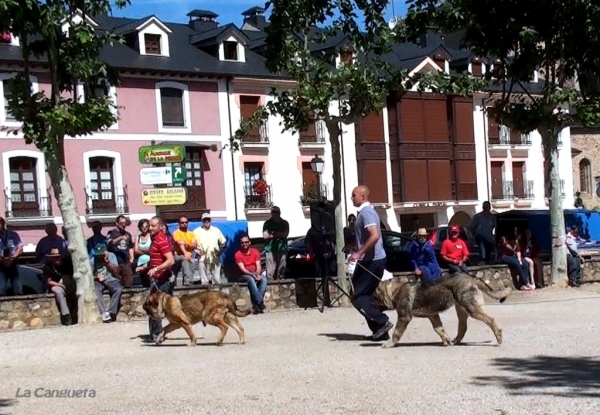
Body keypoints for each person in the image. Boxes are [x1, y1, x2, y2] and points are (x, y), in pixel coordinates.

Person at [348, 185, 393, 341]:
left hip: (372, 261)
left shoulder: (367, 213)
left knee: (357, 295)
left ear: (363, 197)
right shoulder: (365, 213)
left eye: (353, 195)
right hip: (370, 260)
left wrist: (360, 253)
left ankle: (382, 321)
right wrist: (355, 249)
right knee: (364, 295)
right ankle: (380, 331)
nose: (351, 198)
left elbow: (374, 235)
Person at [147, 216, 175, 342]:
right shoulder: (154, 239)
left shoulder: (161, 240)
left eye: (153, 226)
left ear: (160, 226)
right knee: (153, 306)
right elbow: (156, 259)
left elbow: (171, 260)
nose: (150, 228)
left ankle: (157, 334)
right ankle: (154, 334)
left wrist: (156, 269)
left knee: (158, 308)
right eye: (150, 225)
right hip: (155, 278)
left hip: (162, 279)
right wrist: (146, 267)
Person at [235, 235, 267, 314]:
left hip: (254, 272)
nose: (244, 244)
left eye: (246, 242)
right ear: (240, 244)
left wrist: (258, 274)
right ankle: (259, 302)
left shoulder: (255, 252)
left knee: (264, 279)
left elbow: (258, 265)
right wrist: (252, 275)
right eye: (242, 243)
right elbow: (242, 269)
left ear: (249, 242)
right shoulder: (237, 254)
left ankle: (257, 305)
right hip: (243, 274)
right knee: (251, 279)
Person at [91, 243, 123, 323]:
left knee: (118, 289)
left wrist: (107, 262)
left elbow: (117, 272)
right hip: (99, 281)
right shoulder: (92, 260)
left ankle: (111, 312)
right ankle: (104, 312)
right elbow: (88, 277)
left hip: (111, 279)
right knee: (95, 289)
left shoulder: (112, 256)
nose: (99, 256)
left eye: (101, 254)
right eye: (98, 254)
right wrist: (96, 277)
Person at [43, 248, 74, 325]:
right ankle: (66, 315)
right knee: (58, 291)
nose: (56, 259)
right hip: (56, 285)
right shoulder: (47, 266)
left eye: (58, 257)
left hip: (68, 284)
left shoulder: (67, 264)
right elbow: (48, 281)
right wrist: (60, 285)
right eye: (54, 257)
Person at [194, 213, 226, 285]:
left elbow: (223, 243)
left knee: (217, 280)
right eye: (205, 219)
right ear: (202, 220)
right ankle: (206, 293)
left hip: (214, 257)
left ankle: (217, 294)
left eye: (208, 219)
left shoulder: (216, 230)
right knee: (204, 281)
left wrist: (220, 252)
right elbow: (192, 245)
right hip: (202, 257)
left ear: (210, 220)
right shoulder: (196, 231)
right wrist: (197, 251)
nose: (206, 221)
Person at [106, 215, 134, 288]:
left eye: (125, 223)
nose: (124, 225)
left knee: (128, 283)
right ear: (117, 223)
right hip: (115, 262)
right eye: (122, 223)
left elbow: (130, 246)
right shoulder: (111, 233)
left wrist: (132, 257)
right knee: (117, 284)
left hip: (126, 262)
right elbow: (109, 243)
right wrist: (120, 238)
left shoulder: (128, 234)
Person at [262, 206, 289, 280]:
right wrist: (279, 235)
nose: (275, 214)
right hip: (270, 249)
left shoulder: (284, 223)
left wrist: (272, 234)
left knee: (281, 271)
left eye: (276, 212)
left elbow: (285, 234)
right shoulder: (267, 224)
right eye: (273, 212)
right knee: (270, 273)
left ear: (279, 213)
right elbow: (265, 236)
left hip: (282, 249)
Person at [0, 217, 24, 296]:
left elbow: (20, 248)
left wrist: (12, 258)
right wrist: (2, 260)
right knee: (1, 286)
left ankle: (19, 299)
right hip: (1, 263)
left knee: (17, 285)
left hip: (13, 261)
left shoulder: (13, 234)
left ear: (3, 224)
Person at [172, 215, 197, 286]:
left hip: (189, 255)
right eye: (182, 222)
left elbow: (195, 245)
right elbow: (180, 244)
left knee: (191, 260)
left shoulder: (191, 233)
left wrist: (186, 243)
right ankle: (187, 280)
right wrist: (186, 253)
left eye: (186, 222)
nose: (184, 224)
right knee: (185, 258)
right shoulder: (176, 233)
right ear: (179, 223)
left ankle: (190, 281)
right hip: (178, 256)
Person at [133, 219, 152, 287]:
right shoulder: (138, 237)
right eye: (142, 226)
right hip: (141, 263)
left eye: (146, 226)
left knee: (152, 283)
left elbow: (152, 250)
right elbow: (135, 251)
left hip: (150, 262)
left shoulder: (151, 236)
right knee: (145, 284)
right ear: (140, 227)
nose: (144, 228)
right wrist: (147, 251)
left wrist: (140, 249)